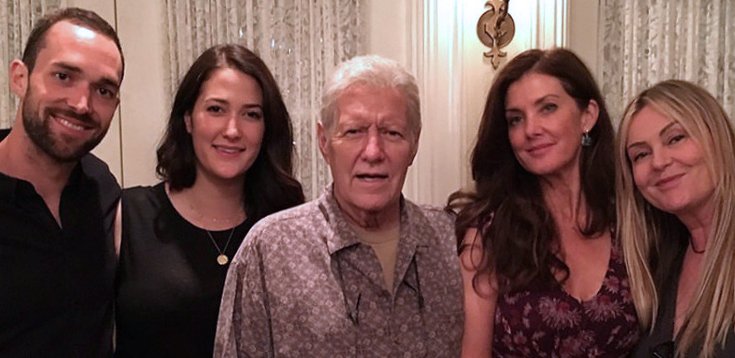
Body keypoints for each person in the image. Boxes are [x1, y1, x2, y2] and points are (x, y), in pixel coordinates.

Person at [214, 55, 463, 357]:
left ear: (414, 143)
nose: (373, 151)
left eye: (392, 132)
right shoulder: (269, 250)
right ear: (324, 141)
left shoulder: (455, 240)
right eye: (354, 131)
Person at [114, 44, 304, 357]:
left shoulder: (285, 228)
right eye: (216, 109)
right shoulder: (127, 216)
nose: (232, 130)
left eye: (251, 114)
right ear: (188, 119)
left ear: (266, 128)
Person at [448, 48, 639, 357]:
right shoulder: (488, 234)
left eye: (547, 108)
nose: (530, 130)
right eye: (515, 120)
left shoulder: (631, 220)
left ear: (588, 116)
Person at [0, 7, 124, 356]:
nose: (82, 104)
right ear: (19, 78)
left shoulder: (102, 187)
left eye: (103, 90)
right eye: (64, 76)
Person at [617, 80, 735, 357]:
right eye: (641, 154)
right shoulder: (657, 264)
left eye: (676, 138)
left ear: (716, 136)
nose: (659, 162)